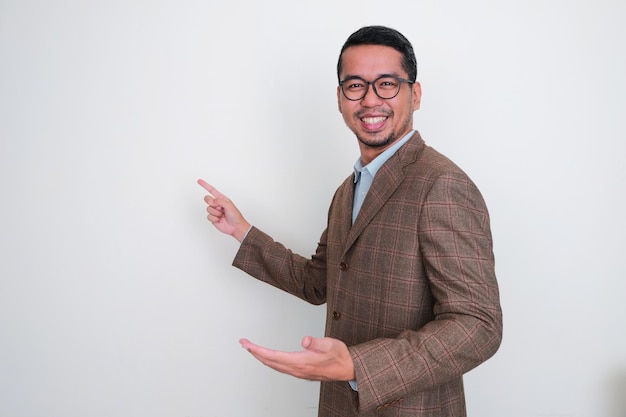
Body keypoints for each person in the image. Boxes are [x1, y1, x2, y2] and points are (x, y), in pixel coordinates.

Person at [198, 25, 502, 417]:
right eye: (355, 86)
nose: (371, 99)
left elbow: (478, 326)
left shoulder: (443, 185)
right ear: (341, 98)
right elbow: (318, 282)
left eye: (387, 84)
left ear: (417, 94)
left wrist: (358, 365)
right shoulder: (348, 189)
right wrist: (242, 232)